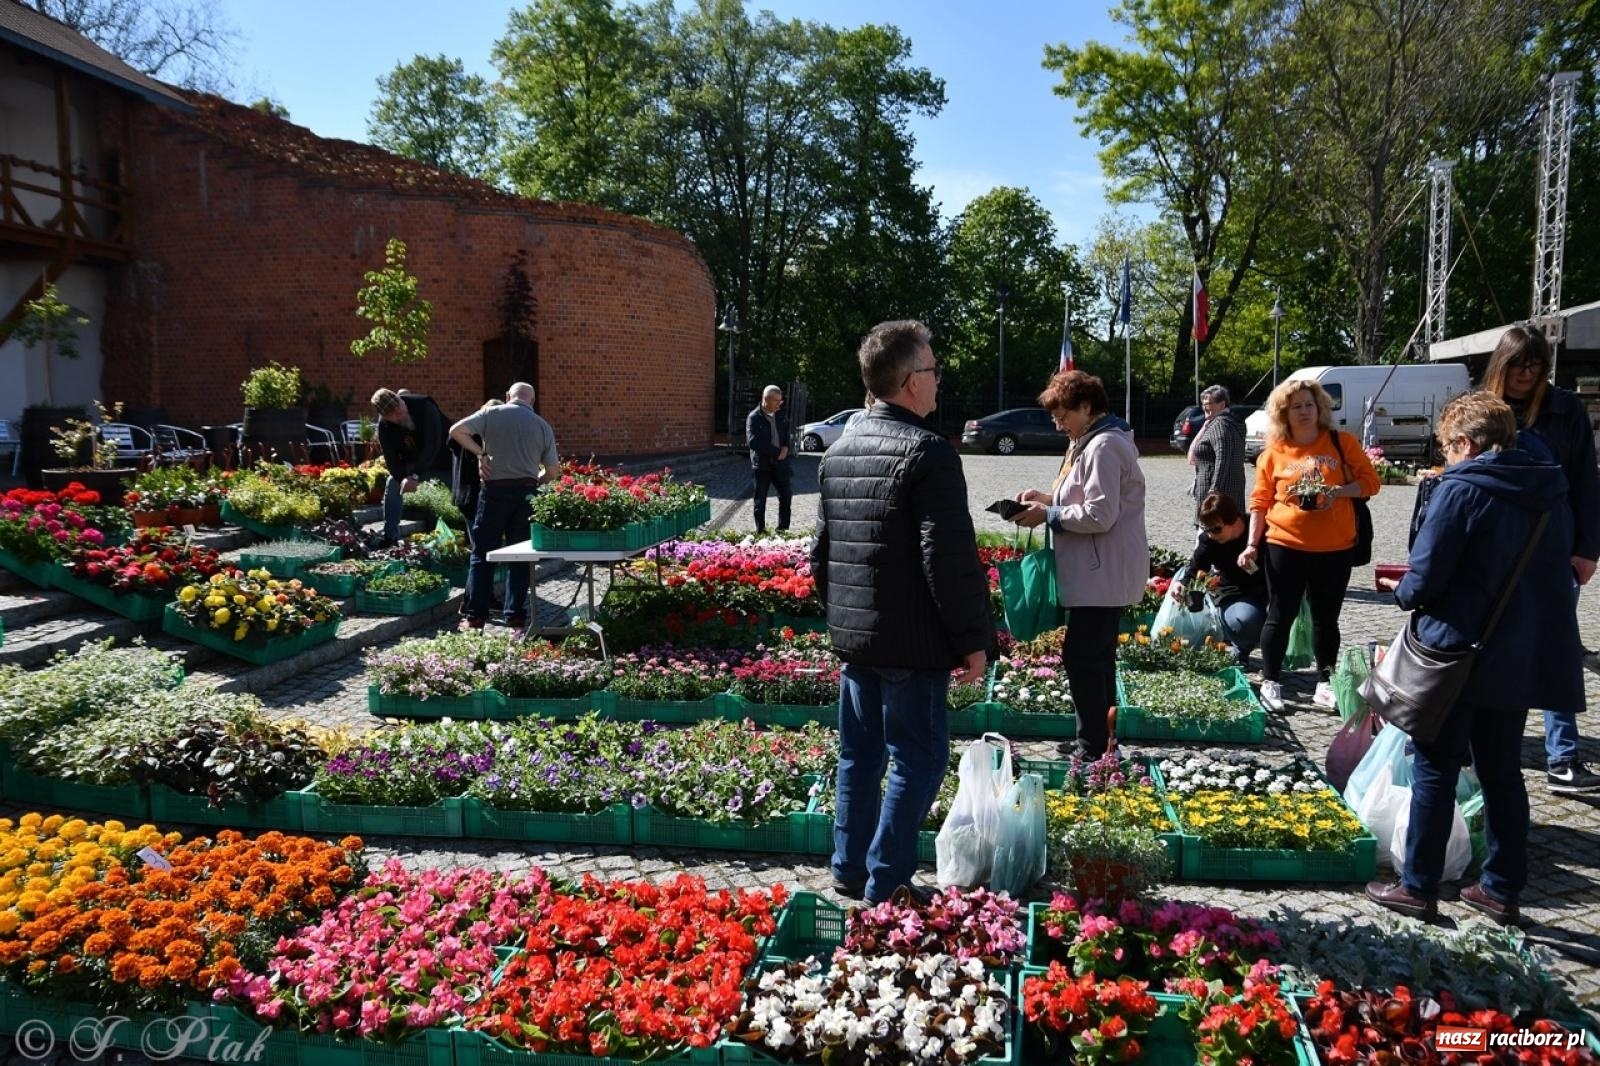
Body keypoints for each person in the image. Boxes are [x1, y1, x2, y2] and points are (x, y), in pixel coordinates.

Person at [1365, 392, 1580, 924]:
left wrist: (1403, 590)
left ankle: (1417, 886)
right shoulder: (1549, 489)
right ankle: (1503, 889)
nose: (1446, 457)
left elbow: (1427, 575)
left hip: (1456, 649)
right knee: (1503, 770)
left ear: (1465, 442)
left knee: (1435, 767)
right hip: (1518, 651)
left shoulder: (1462, 489)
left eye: (1447, 447)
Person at [811, 320, 993, 904]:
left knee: (859, 756)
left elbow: (821, 552)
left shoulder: (839, 450)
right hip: (912, 643)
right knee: (917, 758)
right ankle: (886, 881)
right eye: (934, 369)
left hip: (857, 638)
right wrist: (973, 638)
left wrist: (841, 618)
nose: (939, 379)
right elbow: (948, 557)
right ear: (912, 382)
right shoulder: (930, 452)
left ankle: (848, 868)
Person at [1481, 325, 1600, 794]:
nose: (1528, 373)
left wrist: (1587, 549)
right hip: (1490, 550)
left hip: (1553, 546)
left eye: (1536, 365)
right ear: (1501, 364)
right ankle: (1478, 747)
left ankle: (1563, 757)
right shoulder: (1483, 408)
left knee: (1554, 648)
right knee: (1486, 647)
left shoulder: (1564, 407)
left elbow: (1587, 481)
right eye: (1519, 364)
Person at [1013, 370, 1149, 760]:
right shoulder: (1089, 441)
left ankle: (1092, 751)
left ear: (1087, 408)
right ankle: (1101, 742)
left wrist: (1049, 514)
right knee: (1096, 658)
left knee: (1083, 658)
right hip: (1100, 570)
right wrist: (1047, 496)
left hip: (1101, 571)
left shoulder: (1103, 446)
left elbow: (1100, 513)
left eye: (1063, 415)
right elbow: (1085, 494)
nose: (1058, 424)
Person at [1241, 379, 1379, 713]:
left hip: (1335, 547)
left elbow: (1370, 484)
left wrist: (1337, 492)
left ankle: (1324, 682)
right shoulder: (1272, 453)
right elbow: (1259, 502)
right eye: (1296, 406)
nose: (1303, 411)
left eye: (1309, 405)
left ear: (1320, 409)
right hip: (1284, 544)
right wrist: (1250, 545)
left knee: (1326, 619)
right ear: (1283, 414)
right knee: (1280, 614)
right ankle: (1271, 682)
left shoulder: (1341, 442)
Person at [448, 382, 559, 632]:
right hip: (526, 493)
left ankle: (476, 617)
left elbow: (457, 430)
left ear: (508, 396)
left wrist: (481, 453)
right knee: (520, 555)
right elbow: (553, 471)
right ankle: (515, 617)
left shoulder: (491, 414)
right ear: (532, 400)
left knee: (482, 553)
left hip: (495, 491)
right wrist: (535, 481)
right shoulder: (542, 426)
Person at [1173, 492, 1267, 669]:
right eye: (1206, 529)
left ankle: (1273, 662)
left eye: (1216, 529)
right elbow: (1196, 566)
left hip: (1267, 589)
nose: (1211, 534)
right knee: (1245, 620)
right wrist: (1181, 584)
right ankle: (1241, 646)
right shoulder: (1209, 540)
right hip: (1233, 593)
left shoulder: (1256, 529)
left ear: (1233, 520)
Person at [370, 388, 448, 545]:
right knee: (393, 483)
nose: (402, 415)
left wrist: (415, 476)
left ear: (401, 400)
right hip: (415, 462)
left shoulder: (425, 406)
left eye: (401, 408)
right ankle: (390, 536)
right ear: (386, 418)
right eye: (397, 416)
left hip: (446, 459)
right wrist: (402, 478)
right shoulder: (384, 426)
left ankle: (479, 540)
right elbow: (391, 459)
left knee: (464, 496)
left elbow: (432, 445)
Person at [1188, 385, 1246, 512]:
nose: (1205, 407)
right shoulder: (1224, 423)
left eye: (1209, 403)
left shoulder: (1220, 424)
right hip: (1228, 490)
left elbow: (1223, 458)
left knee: (1213, 529)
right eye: (1203, 404)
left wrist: (1214, 490)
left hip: (1217, 496)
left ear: (1222, 404)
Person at [746, 385, 793, 533]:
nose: (779, 404)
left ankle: (782, 529)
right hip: (762, 466)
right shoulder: (754, 417)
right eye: (776, 401)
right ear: (765, 399)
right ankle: (761, 531)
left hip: (781, 464)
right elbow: (753, 442)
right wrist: (777, 451)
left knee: (786, 497)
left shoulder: (780, 415)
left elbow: (786, 435)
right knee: (760, 500)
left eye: (781, 401)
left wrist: (786, 447)